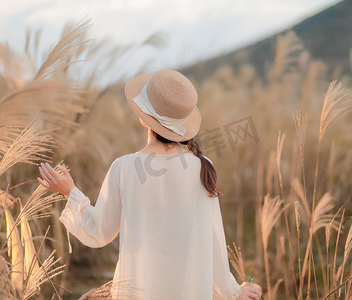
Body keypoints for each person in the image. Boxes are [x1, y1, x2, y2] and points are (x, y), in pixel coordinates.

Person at [37, 69, 263, 300]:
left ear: (143, 118)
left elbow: (99, 231)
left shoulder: (125, 168)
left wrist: (69, 192)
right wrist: (234, 291)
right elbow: (213, 243)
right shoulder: (204, 166)